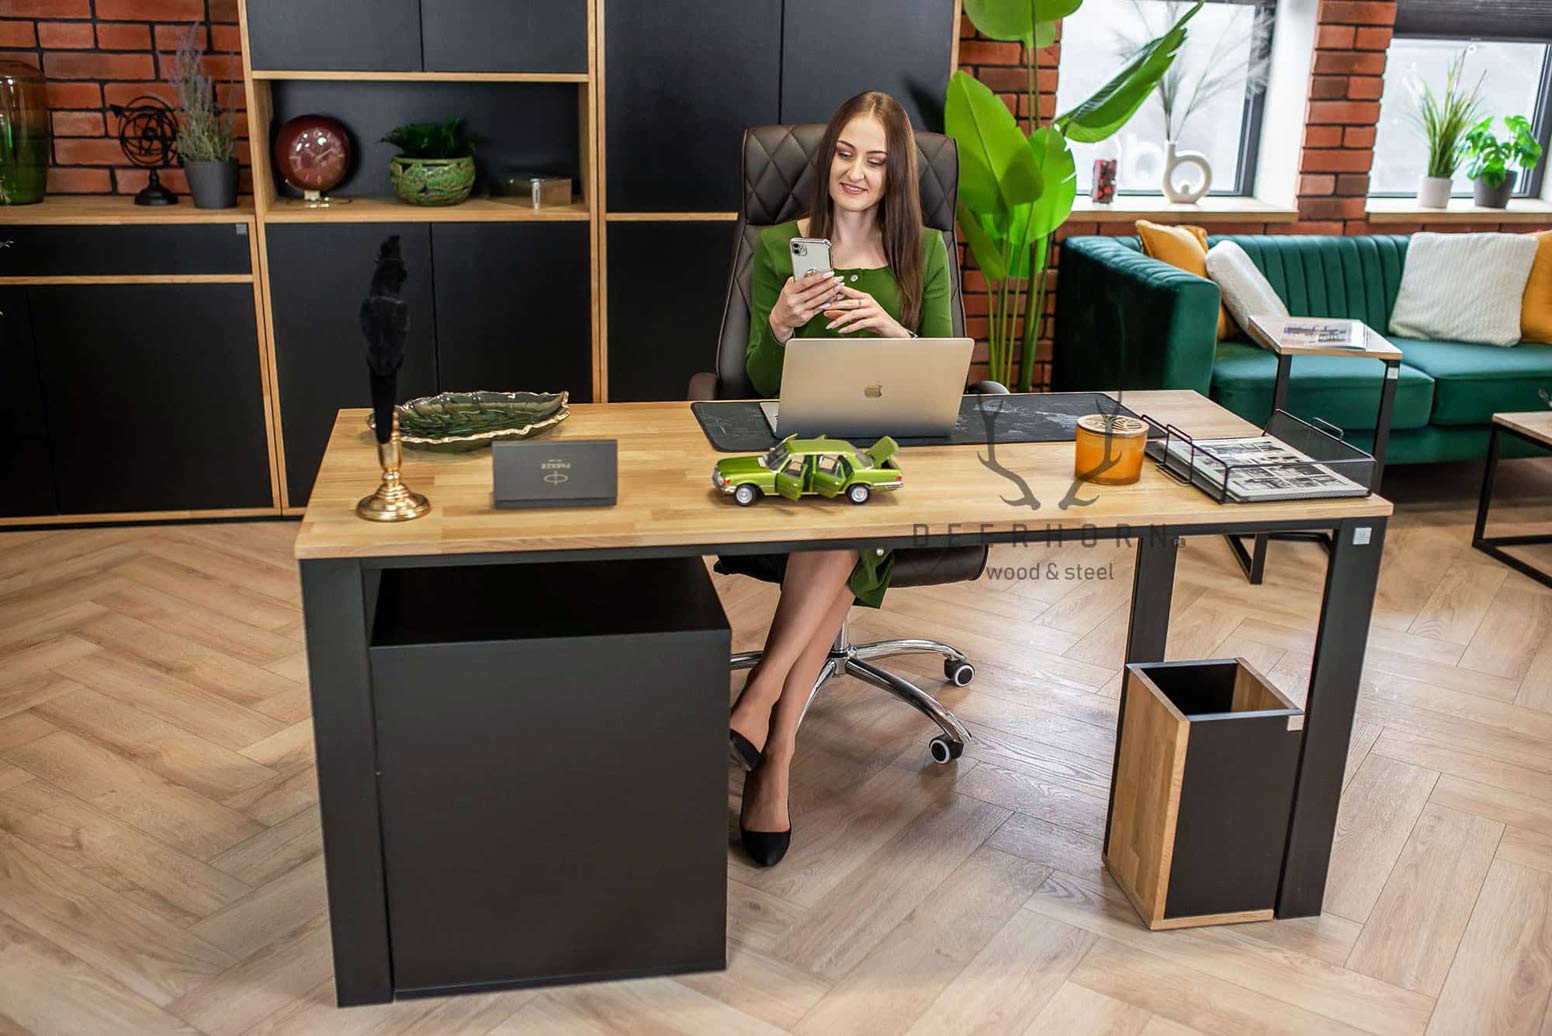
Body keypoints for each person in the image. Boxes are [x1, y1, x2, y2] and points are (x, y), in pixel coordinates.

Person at [729, 90, 953, 867]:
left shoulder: (926, 250)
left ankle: (763, 708)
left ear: (897, 176)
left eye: (877, 160)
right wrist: (783, 324)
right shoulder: (779, 249)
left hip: (898, 452)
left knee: (845, 500)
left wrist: (894, 331)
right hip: (809, 446)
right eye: (845, 154)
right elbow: (757, 379)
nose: (856, 172)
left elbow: (948, 377)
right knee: (839, 502)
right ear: (828, 160)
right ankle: (774, 752)